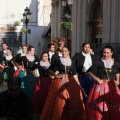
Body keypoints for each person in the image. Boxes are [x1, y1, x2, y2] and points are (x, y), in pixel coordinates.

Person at [40, 46, 85, 120]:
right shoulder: (58, 60)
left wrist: (78, 84)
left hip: (70, 81)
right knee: (60, 99)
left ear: (69, 52)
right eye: (62, 51)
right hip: (60, 81)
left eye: (65, 51)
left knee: (72, 98)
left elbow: (74, 73)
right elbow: (50, 69)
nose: (64, 53)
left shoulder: (72, 61)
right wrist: (55, 75)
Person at [83, 45, 120, 120]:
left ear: (111, 53)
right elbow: (88, 72)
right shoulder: (98, 62)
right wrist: (98, 79)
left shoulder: (115, 63)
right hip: (101, 87)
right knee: (101, 106)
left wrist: (118, 80)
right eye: (104, 53)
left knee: (115, 105)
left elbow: (117, 72)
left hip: (112, 87)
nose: (105, 54)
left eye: (107, 53)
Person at [32, 51, 52, 119]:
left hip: (48, 81)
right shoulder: (38, 64)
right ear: (41, 57)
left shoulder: (50, 64)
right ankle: (39, 111)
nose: (45, 57)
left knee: (47, 94)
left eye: (46, 56)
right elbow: (31, 70)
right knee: (39, 95)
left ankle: (46, 109)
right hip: (40, 81)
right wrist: (36, 75)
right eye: (44, 56)